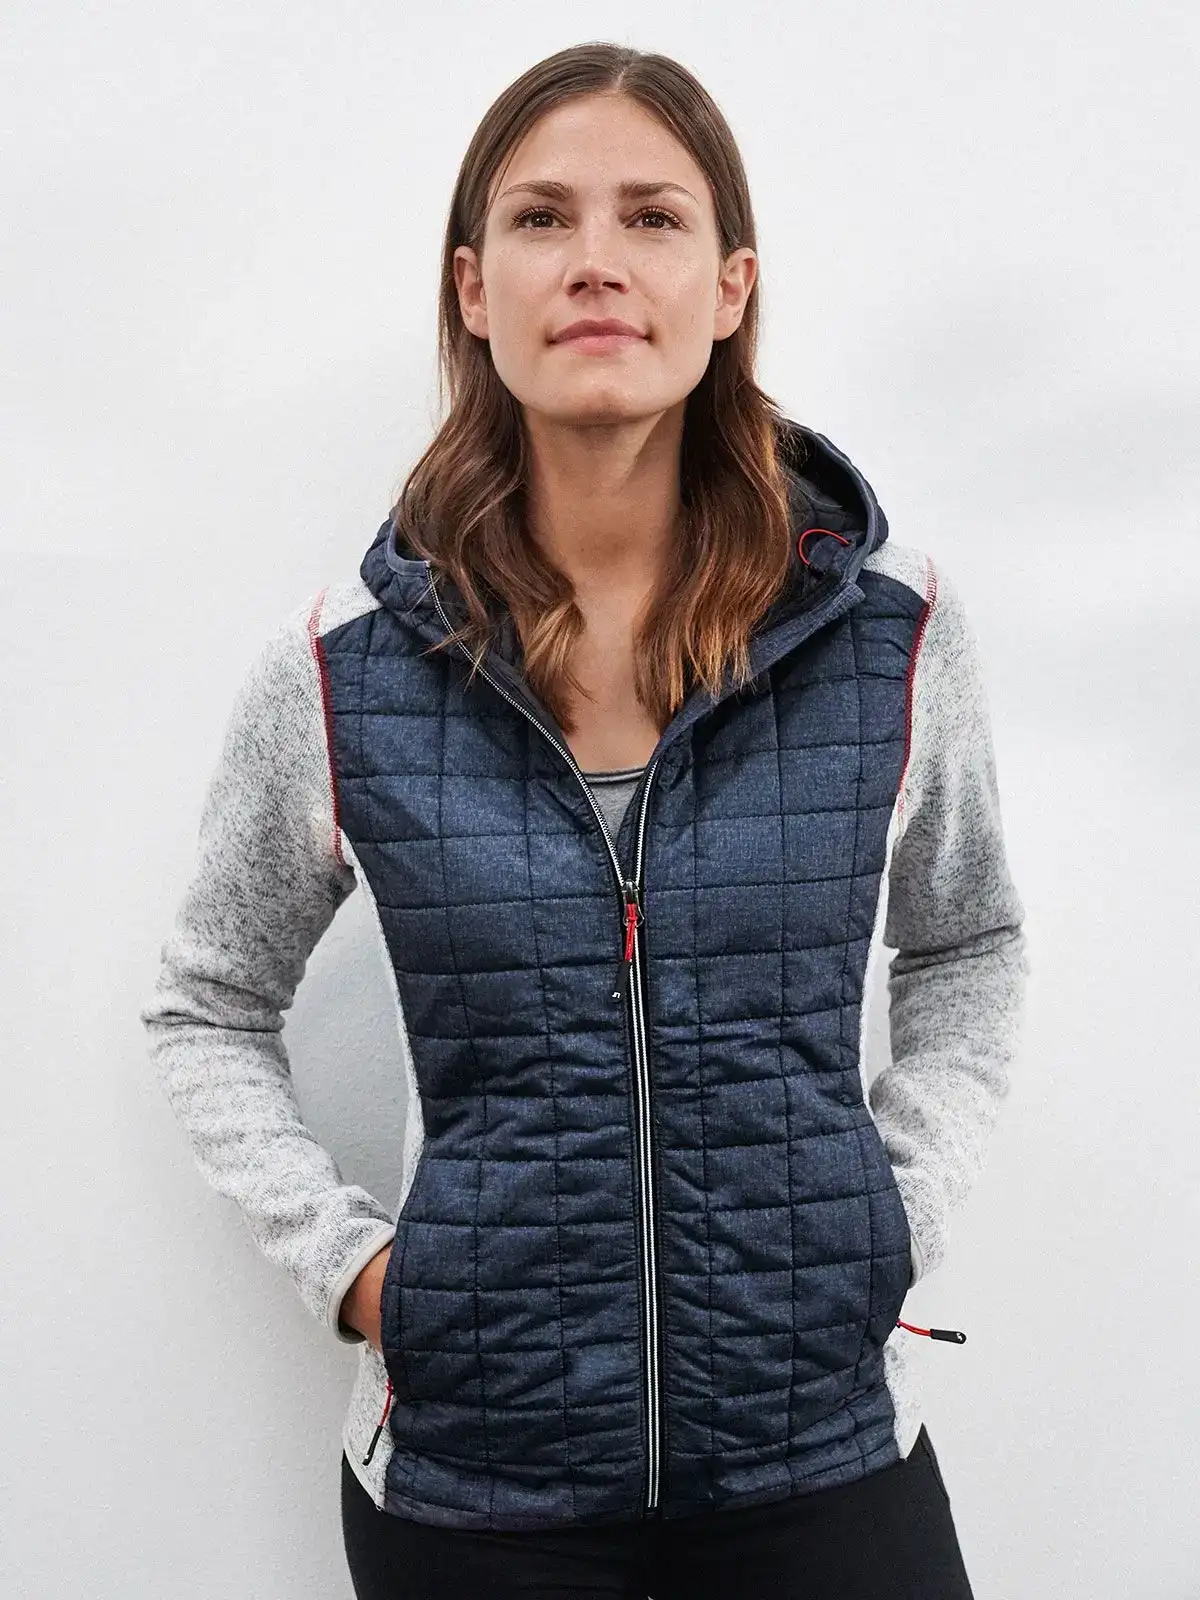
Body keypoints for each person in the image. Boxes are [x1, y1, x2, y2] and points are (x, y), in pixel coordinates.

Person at [140, 38, 1029, 1600]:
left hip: (823, 1456)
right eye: (543, 218)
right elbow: (206, 1003)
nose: (597, 262)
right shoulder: (341, 669)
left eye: (654, 218)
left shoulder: (890, 630)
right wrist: (358, 1272)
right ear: (474, 289)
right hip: (476, 1490)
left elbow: (971, 943)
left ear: (731, 288)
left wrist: (895, 1211)